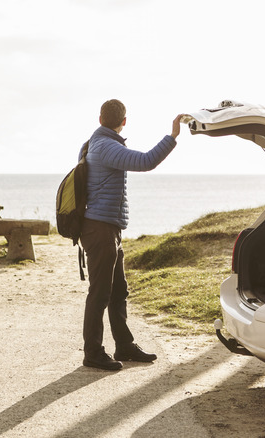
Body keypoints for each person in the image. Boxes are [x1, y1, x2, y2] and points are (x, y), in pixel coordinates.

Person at [79, 99, 184, 370]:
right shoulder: (106, 146)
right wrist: (172, 136)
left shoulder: (97, 143)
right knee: (100, 293)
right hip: (100, 229)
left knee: (118, 291)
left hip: (106, 227)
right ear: (123, 121)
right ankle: (93, 353)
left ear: (100, 117)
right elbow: (147, 161)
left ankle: (124, 346)